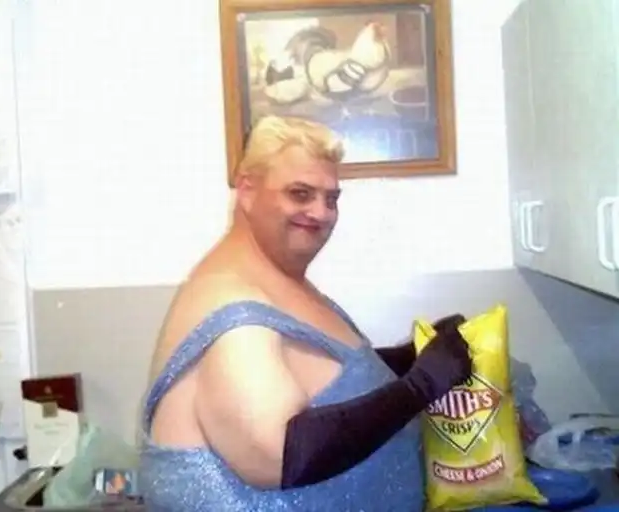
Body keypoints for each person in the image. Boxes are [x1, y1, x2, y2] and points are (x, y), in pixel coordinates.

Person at [138, 115, 472, 511]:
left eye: (331, 199)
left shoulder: (277, 277)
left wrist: (408, 357)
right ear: (247, 190)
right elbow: (278, 456)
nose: (321, 213)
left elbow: (313, 373)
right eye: (300, 194)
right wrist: (420, 386)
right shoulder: (234, 315)